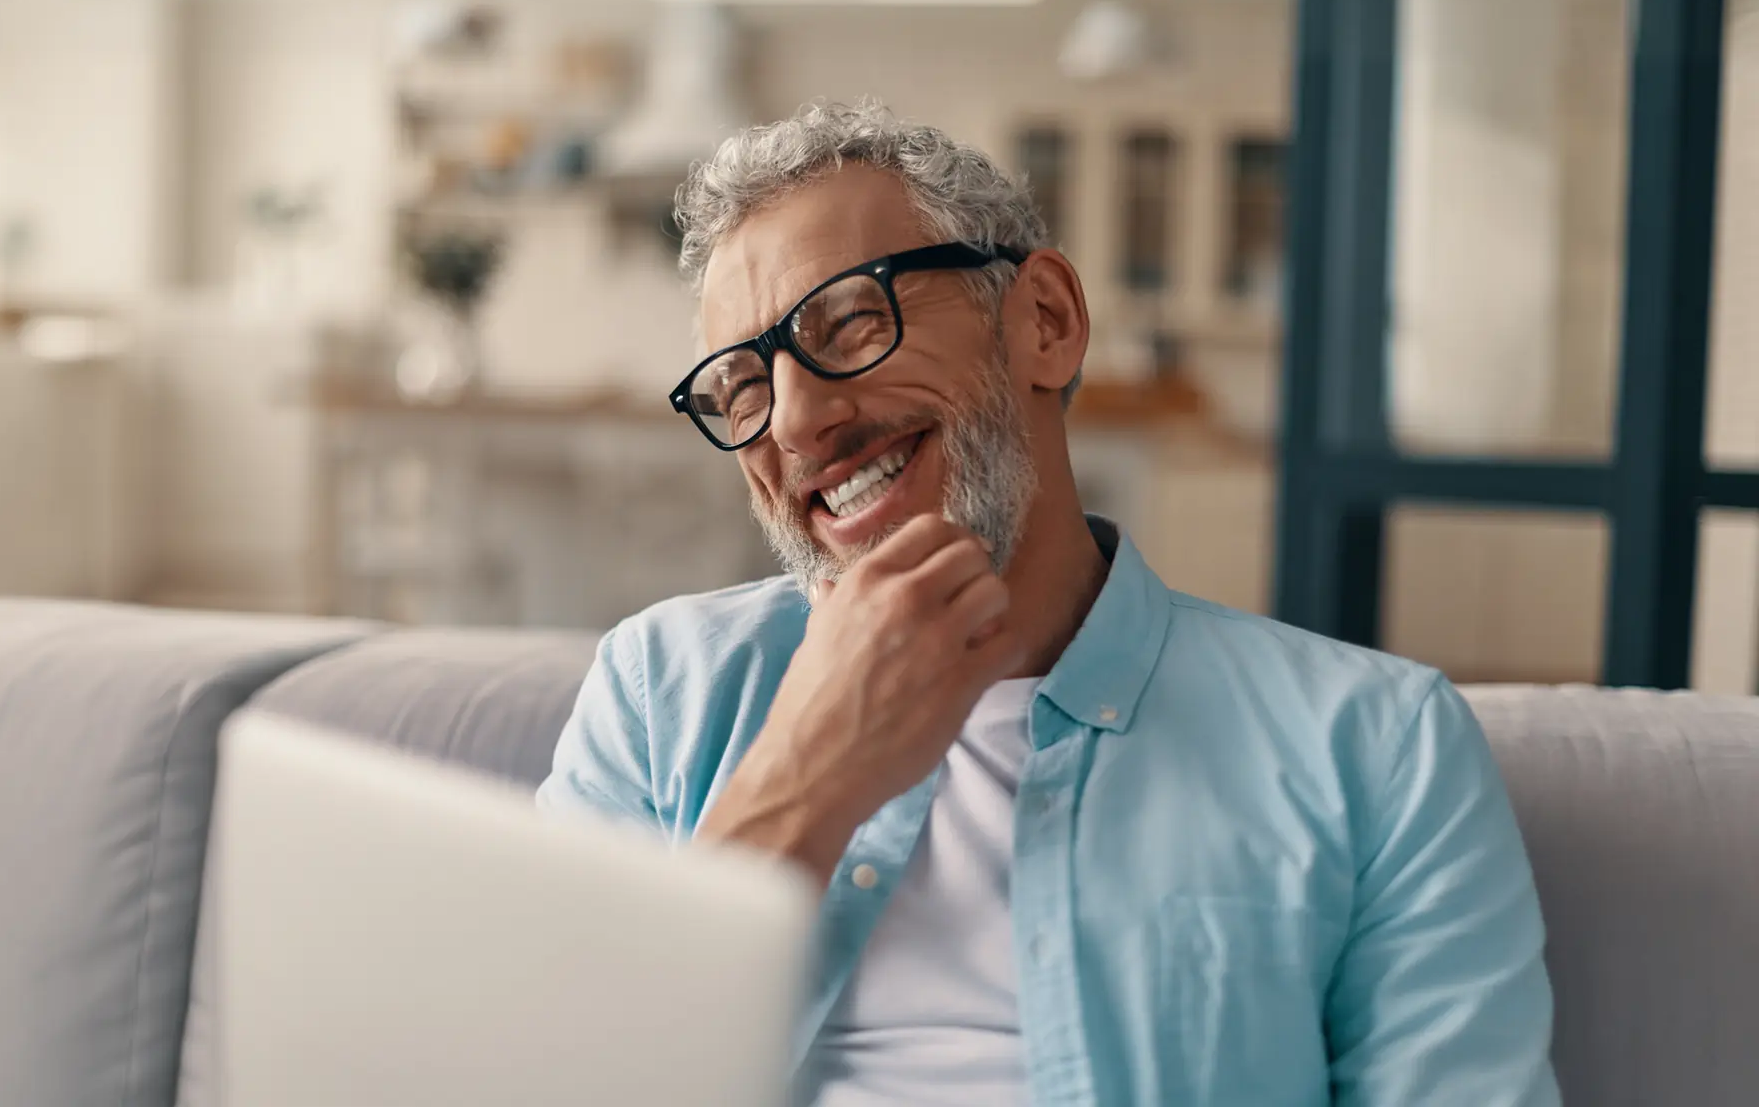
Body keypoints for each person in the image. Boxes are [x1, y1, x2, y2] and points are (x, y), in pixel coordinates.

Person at [537, 101, 1558, 1106]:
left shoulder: (1376, 746)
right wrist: (806, 778)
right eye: (742, 389)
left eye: (847, 322)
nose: (797, 423)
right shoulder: (658, 691)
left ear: (1044, 322)